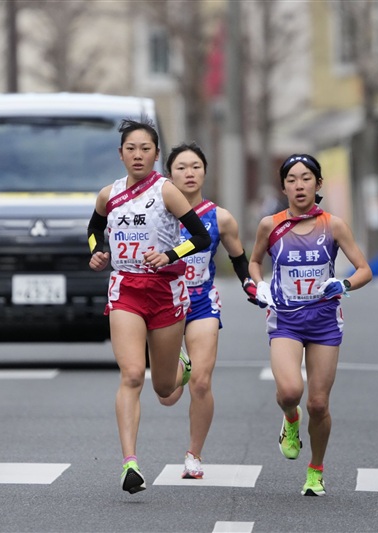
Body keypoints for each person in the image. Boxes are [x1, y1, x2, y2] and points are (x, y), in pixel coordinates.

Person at [87, 118, 212, 494]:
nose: (138, 155)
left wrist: (171, 253)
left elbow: (202, 238)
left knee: (163, 388)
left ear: (157, 154)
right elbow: (94, 230)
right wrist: (97, 252)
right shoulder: (108, 195)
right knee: (131, 375)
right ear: (121, 154)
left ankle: (180, 366)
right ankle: (130, 464)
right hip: (125, 287)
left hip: (165, 290)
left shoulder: (167, 191)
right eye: (131, 149)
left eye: (146, 149)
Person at [248, 153, 372, 497]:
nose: (299, 185)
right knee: (290, 392)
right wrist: (258, 285)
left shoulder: (333, 225)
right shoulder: (270, 226)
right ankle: (290, 418)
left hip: (324, 321)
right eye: (292, 179)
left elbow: (364, 269)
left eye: (306, 178)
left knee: (318, 404)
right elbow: (254, 262)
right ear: (284, 186)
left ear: (318, 185)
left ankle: (315, 470)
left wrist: (343, 284)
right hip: (285, 319)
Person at [156, 142, 262, 479]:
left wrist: (250, 285)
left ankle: (194, 455)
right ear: (169, 175)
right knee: (167, 395)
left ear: (204, 172)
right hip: (163, 304)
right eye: (181, 168)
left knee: (201, 383)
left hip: (201, 302)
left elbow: (239, 258)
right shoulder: (157, 213)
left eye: (195, 167)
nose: (189, 173)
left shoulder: (220, 217)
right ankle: (180, 366)